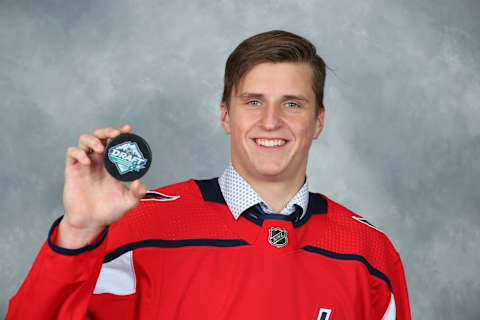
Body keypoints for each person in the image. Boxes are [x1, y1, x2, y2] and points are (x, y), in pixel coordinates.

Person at [6, 30, 411, 319]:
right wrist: (78, 230)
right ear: (225, 115)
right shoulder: (138, 227)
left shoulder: (368, 252)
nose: (270, 122)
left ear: (318, 121)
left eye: (292, 104)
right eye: (253, 101)